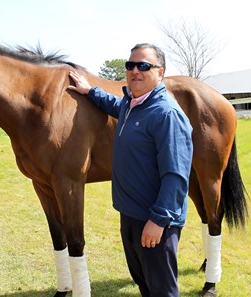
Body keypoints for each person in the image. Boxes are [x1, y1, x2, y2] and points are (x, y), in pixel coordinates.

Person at [68, 43, 193, 297]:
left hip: (156, 221)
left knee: (162, 290)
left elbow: (176, 176)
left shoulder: (166, 114)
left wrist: (158, 221)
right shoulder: (131, 104)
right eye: (130, 65)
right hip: (130, 215)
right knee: (145, 285)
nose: (135, 70)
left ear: (160, 73)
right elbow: (113, 103)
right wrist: (90, 90)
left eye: (144, 65)